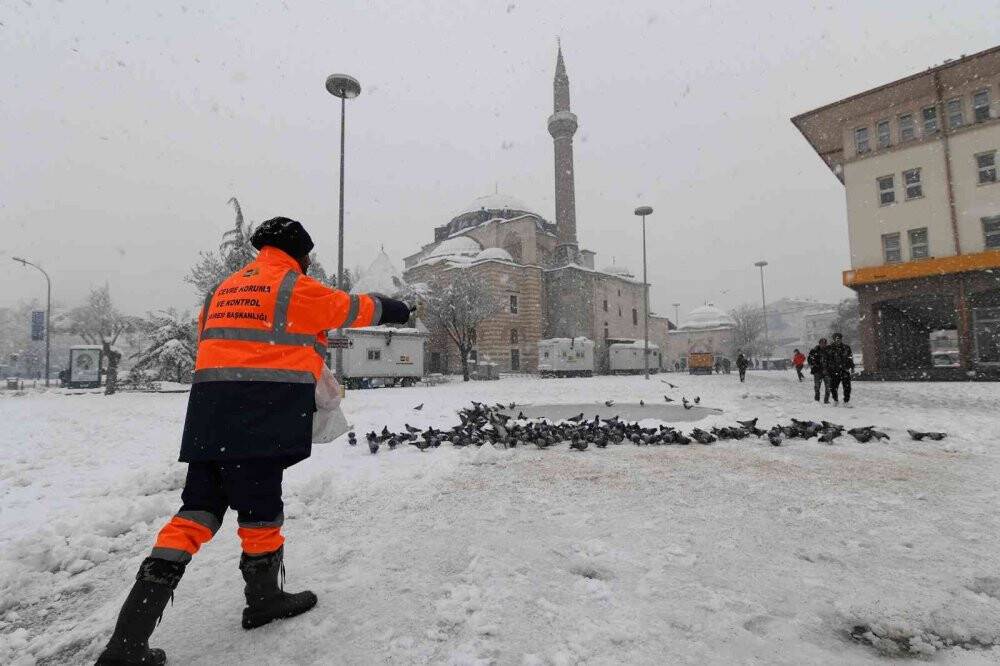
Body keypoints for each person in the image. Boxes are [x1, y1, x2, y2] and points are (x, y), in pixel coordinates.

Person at [96, 218, 414, 666]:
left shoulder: (221, 290)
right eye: (308, 255)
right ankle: (264, 600)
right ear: (299, 253)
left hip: (210, 417)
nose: (308, 262)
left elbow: (247, 341)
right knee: (261, 513)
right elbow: (355, 308)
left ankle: (125, 643)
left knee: (195, 515)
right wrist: (398, 308)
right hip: (261, 413)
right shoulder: (294, 287)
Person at [826, 332, 854, 405]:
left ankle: (846, 401)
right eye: (836, 339)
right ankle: (835, 400)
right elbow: (826, 359)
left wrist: (851, 367)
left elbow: (850, 357)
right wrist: (827, 368)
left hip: (845, 370)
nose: (838, 340)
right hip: (833, 370)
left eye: (839, 339)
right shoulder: (829, 348)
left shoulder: (846, 347)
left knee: (847, 387)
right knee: (833, 387)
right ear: (833, 339)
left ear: (841, 339)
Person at [808, 338, 830, 403]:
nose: (823, 344)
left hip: (827, 371)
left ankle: (826, 400)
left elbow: (832, 360)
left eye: (824, 343)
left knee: (828, 387)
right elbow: (809, 359)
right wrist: (814, 364)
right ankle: (817, 399)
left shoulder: (829, 351)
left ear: (826, 344)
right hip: (817, 371)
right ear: (819, 343)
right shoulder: (814, 351)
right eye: (822, 343)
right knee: (817, 386)